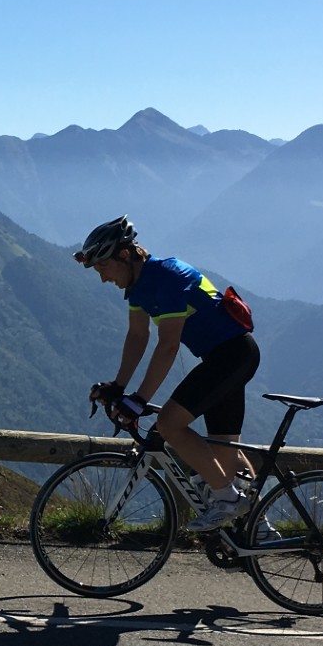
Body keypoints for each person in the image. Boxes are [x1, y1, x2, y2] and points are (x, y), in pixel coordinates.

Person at [75, 215, 260, 532]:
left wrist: (139, 399)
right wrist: (118, 386)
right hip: (225, 357)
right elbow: (137, 337)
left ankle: (229, 501)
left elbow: (168, 347)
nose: (103, 278)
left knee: (169, 424)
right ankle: (258, 531)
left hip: (232, 356)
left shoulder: (169, 276)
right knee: (222, 454)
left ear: (124, 255)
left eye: (103, 267)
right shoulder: (139, 287)